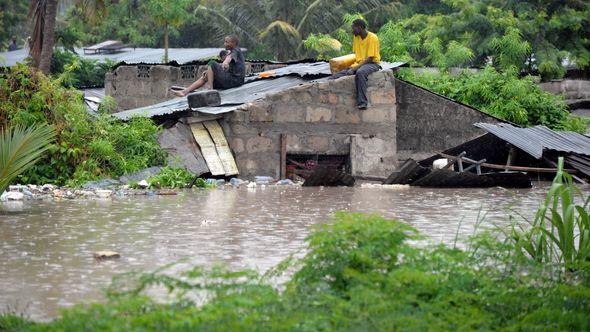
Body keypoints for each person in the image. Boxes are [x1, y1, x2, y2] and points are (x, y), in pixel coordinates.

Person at [330, 19, 381, 109]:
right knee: (339, 75)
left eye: (353, 28)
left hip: (372, 63)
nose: (352, 31)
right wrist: (350, 67)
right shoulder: (356, 37)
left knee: (360, 72)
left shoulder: (373, 38)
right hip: (359, 63)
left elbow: (370, 58)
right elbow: (356, 55)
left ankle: (362, 102)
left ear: (360, 28)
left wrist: (354, 69)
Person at [171, 36, 245, 97]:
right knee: (206, 76)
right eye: (224, 42)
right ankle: (184, 92)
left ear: (234, 43)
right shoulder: (233, 52)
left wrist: (225, 62)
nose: (224, 44)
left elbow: (229, 58)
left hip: (235, 81)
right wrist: (210, 71)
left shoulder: (236, 51)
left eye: (227, 42)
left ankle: (210, 89)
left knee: (211, 62)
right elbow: (225, 66)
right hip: (232, 81)